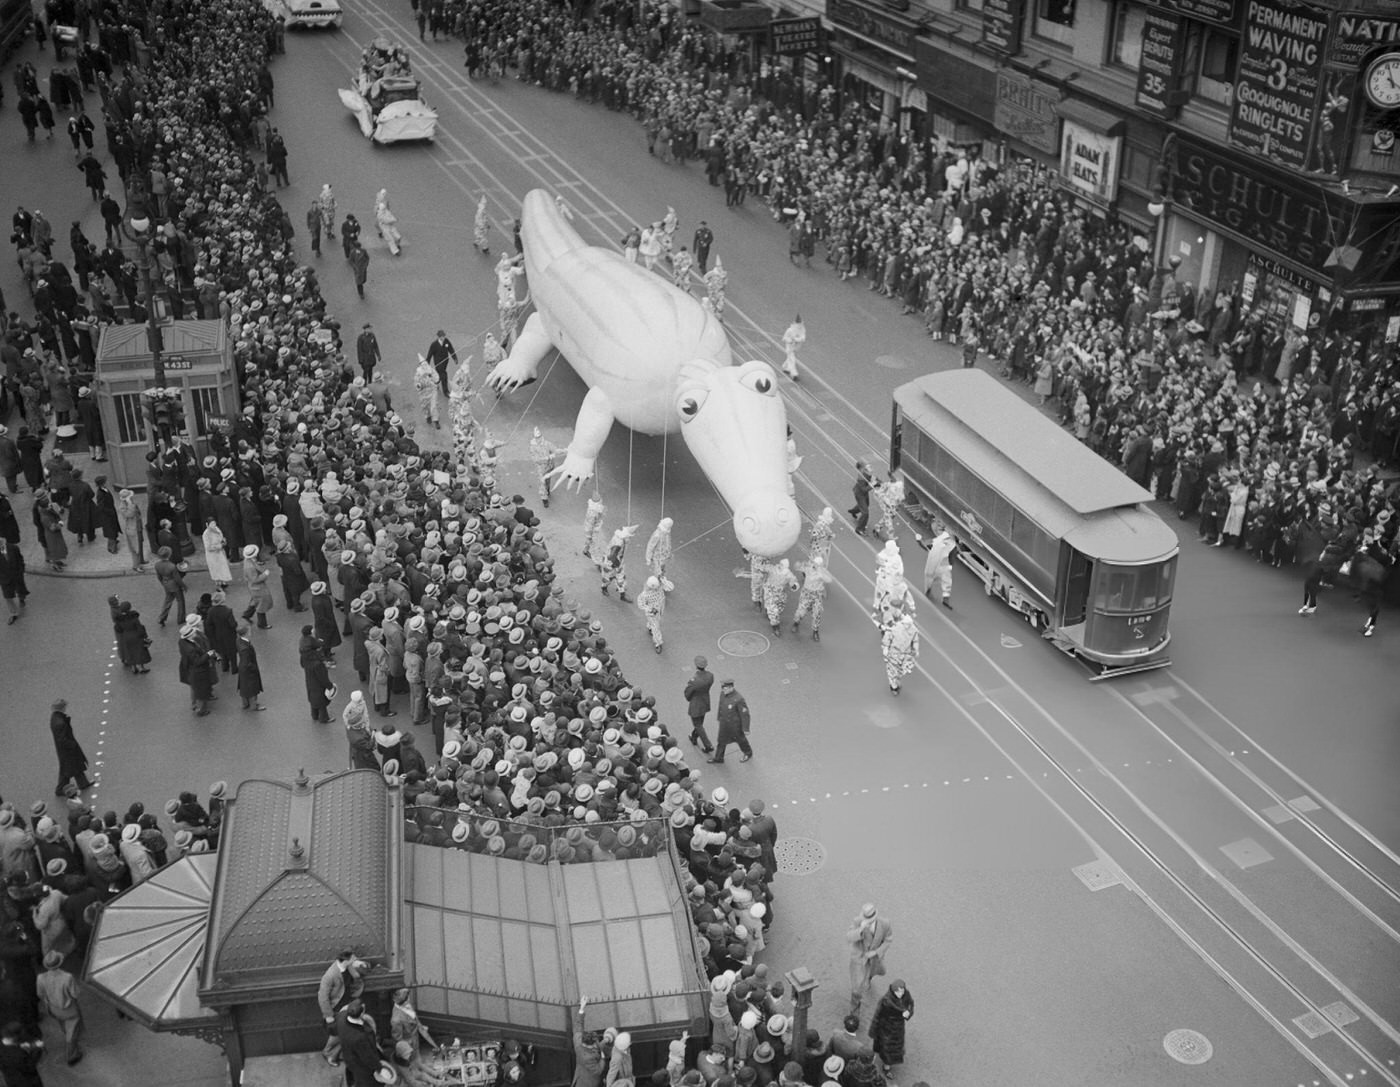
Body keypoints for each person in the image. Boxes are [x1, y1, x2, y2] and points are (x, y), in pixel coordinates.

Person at [35, 950, 83, 1066]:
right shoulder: (67, 977)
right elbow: (75, 993)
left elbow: (40, 994)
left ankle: (68, 1035)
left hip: (53, 1008)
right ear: (60, 962)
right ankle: (72, 1055)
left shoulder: (41, 977)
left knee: (64, 1025)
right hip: (69, 1009)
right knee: (72, 1031)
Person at [319, 951, 365, 1066]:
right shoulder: (330, 975)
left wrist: (359, 965)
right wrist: (329, 1016)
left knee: (347, 1032)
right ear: (346, 960)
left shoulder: (347, 967)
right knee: (342, 1033)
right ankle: (329, 1052)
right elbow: (322, 997)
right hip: (337, 1008)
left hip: (347, 1003)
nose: (355, 959)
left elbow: (357, 975)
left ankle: (330, 1053)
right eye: (353, 958)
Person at [846, 904, 894, 1012]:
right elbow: (849, 937)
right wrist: (861, 929)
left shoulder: (885, 924)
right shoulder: (857, 922)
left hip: (874, 958)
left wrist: (876, 952)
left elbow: (888, 940)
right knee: (856, 988)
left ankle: (868, 977)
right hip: (859, 958)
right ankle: (854, 1011)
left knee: (877, 971)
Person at [337, 999, 385, 1087]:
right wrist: (379, 1068)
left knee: (354, 1074)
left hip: (349, 1057)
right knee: (367, 1082)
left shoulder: (341, 1017)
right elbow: (368, 1057)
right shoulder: (360, 1037)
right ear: (362, 1014)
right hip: (361, 1064)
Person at [868, 981, 913, 1075]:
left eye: (902, 991)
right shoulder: (886, 1001)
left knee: (895, 1047)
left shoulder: (906, 995)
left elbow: (910, 1004)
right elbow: (877, 1016)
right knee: (887, 1048)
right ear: (893, 991)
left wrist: (908, 1012)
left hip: (898, 1029)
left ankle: (887, 1063)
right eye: (898, 992)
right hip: (886, 1029)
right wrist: (873, 1031)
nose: (900, 994)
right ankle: (886, 1067)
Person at [178, 615, 218, 716]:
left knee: (196, 686)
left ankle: (198, 704)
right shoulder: (192, 645)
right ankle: (199, 707)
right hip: (197, 669)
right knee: (197, 687)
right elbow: (197, 660)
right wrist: (208, 655)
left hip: (193, 667)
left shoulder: (183, 642)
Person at [49, 700, 91, 796]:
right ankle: (61, 789)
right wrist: (72, 745)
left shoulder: (54, 718)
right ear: (62, 708)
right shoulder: (60, 723)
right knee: (69, 768)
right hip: (67, 750)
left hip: (64, 750)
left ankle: (83, 783)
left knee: (73, 766)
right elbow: (62, 739)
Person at [791, 555, 833, 641]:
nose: (815, 565)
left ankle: (815, 631)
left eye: (817, 564)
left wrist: (820, 571)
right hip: (807, 593)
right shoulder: (808, 568)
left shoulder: (822, 571)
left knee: (817, 613)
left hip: (816, 595)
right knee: (800, 611)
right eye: (814, 563)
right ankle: (796, 623)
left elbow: (829, 580)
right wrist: (800, 563)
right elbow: (796, 567)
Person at [710, 679, 752, 764]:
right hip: (724, 723)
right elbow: (721, 707)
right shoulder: (723, 694)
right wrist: (719, 717)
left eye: (725, 688)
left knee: (740, 740)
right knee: (721, 740)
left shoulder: (739, 699)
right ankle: (719, 758)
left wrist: (746, 729)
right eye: (722, 688)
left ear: (731, 688)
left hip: (735, 725)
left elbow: (745, 715)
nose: (723, 690)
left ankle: (748, 753)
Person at [916, 525, 956, 608]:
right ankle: (943, 596)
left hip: (936, 563)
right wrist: (919, 541)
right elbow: (926, 546)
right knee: (944, 579)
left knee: (931, 576)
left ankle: (932, 591)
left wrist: (919, 541)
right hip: (940, 563)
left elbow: (925, 546)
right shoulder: (948, 543)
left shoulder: (939, 542)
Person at [880, 612, 919, 695]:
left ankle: (895, 681)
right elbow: (887, 637)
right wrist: (886, 648)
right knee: (893, 670)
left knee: (898, 670)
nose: (907, 626)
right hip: (897, 653)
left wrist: (915, 649)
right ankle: (893, 685)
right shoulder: (897, 628)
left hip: (902, 654)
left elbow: (915, 640)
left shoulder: (912, 630)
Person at [302, 625, 334, 722]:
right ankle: (324, 718)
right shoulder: (317, 664)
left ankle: (314, 715)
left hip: (310, 680)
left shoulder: (304, 655)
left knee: (313, 698)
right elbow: (322, 677)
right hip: (318, 684)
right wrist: (329, 686)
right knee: (321, 701)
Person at [684, 655, 715, 754]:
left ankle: (708, 745)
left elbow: (687, 694)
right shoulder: (710, 676)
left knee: (698, 725)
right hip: (705, 702)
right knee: (699, 723)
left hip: (696, 705)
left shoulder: (694, 680)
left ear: (696, 666)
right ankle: (694, 737)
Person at [572, 997, 606, 1087]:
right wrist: (602, 1058)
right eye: (594, 1045)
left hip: (580, 1077)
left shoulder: (578, 1041)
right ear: (589, 1045)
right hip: (589, 1083)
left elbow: (578, 1026)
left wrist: (582, 1008)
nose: (595, 1045)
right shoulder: (588, 1058)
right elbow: (598, 1070)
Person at [0, 1021, 44, 1087]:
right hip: (28, 1082)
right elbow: (30, 1066)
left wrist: (19, 1046)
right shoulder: (18, 1054)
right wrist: (37, 1049)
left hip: (11, 1080)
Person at [113, 601, 152, 674]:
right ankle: (141, 668)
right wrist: (144, 636)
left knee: (130, 652)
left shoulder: (120, 619)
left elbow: (118, 628)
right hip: (136, 636)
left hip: (126, 637)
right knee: (139, 651)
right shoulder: (133, 617)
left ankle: (133, 668)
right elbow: (139, 627)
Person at [242, 544, 274, 628]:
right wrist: (265, 574)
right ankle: (262, 623)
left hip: (253, 587)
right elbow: (255, 579)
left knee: (255, 601)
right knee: (262, 604)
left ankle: (247, 614)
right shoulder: (250, 567)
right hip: (257, 587)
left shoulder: (248, 560)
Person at [153, 546, 187, 626]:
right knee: (180, 601)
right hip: (174, 585)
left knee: (168, 601)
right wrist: (184, 586)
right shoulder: (172, 566)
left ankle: (162, 617)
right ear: (169, 554)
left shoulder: (157, 565)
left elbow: (159, 576)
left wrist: (163, 583)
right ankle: (181, 619)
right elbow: (177, 579)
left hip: (166, 583)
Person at [235, 623, 266, 711]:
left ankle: (245, 703)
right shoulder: (245, 648)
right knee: (252, 687)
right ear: (246, 633)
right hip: (248, 670)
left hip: (242, 668)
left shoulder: (238, 640)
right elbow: (247, 662)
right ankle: (253, 705)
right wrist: (253, 668)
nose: (250, 632)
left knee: (244, 686)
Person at [529, 427, 560, 507]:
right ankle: (544, 499)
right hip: (541, 469)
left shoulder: (547, 443)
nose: (539, 439)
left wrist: (557, 452)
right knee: (542, 483)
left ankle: (547, 490)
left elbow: (554, 449)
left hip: (549, 466)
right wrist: (547, 457)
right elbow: (535, 459)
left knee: (548, 481)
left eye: (540, 437)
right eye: (537, 437)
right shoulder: (533, 447)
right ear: (535, 438)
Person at [0, 537, 28, 624]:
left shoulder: (13, 548)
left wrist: (22, 570)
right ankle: (13, 613)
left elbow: (20, 559)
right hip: (4, 578)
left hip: (17, 574)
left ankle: (21, 598)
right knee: (8, 596)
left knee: (21, 589)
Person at [425, 330, 458, 399]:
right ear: (439, 337)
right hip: (438, 363)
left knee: (439, 375)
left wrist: (455, 358)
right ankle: (446, 392)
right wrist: (426, 364)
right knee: (444, 376)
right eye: (442, 337)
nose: (443, 338)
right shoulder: (434, 345)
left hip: (445, 362)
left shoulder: (446, 341)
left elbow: (451, 349)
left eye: (444, 336)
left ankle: (435, 382)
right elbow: (429, 355)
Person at [637, 575, 666, 653]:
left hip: (659, 609)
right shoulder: (645, 594)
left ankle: (649, 626)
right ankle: (658, 643)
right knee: (656, 628)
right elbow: (641, 604)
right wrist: (650, 609)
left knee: (655, 622)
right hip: (652, 613)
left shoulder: (659, 589)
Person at [645, 517, 675, 591]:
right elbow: (650, 546)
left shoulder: (666, 534)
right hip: (657, 557)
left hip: (664, 556)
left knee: (663, 569)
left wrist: (669, 552)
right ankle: (656, 585)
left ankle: (661, 581)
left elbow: (668, 543)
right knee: (658, 572)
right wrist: (648, 558)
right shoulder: (657, 535)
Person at [203, 519, 232, 589]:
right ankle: (218, 583)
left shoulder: (217, 529)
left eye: (214, 523)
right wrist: (219, 546)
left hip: (220, 553)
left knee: (222, 567)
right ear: (207, 524)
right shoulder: (206, 534)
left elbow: (221, 537)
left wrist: (223, 541)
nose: (214, 525)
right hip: (212, 555)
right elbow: (208, 547)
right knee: (215, 569)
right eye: (212, 524)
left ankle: (224, 582)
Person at [414, 355, 440, 430]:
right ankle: (428, 416)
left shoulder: (431, 370)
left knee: (434, 406)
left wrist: (432, 377)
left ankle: (436, 420)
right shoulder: (418, 374)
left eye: (425, 364)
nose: (425, 365)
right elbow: (417, 385)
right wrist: (420, 384)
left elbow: (437, 379)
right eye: (423, 365)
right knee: (425, 406)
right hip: (424, 393)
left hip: (432, 391)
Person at [582, 487, 606, 559]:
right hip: (591, 528)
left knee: (591, 540)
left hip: (591, 525)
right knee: (590, 540)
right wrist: (590, 534)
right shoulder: (593, 513)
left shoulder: (591, 509)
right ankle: (586, 551)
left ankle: (587, 550)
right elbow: (590, 524)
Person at [850, 461, 872, 535]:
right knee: (865, 513)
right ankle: (859, 529)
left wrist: (880, 483)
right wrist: (872, 485)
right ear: (862, 468)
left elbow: (873, 478)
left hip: (863, 494)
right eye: (866, 466)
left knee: (866, 504)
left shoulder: (866, 472)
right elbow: (864, 489)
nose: (869, 467)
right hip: (860, 494)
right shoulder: (861, 477)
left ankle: (854, 511)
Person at [781, 315, 805, 381]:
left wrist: (797, 339)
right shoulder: (789, 330)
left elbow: (803, 338)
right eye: (798, 324)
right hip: (789, 348)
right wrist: (790, 340)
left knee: (789, 358)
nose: (800, 326)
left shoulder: (802, 330)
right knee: (792, 360)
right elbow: (784, 338)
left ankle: (785, 367)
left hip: (796, 347)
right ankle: (794, 374)